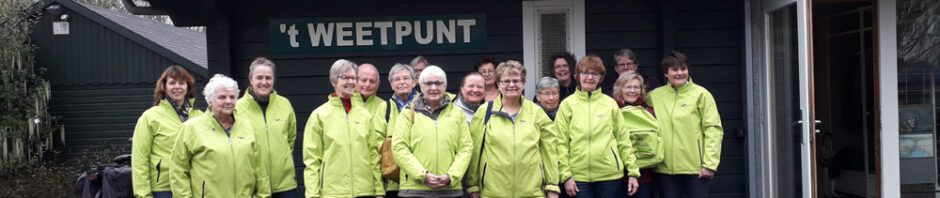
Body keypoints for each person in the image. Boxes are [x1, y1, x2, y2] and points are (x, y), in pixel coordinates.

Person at [465, 60, 560, 198]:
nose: (511, 85)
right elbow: (475, 151)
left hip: (532, 193)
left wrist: (552, 186)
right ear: (498, 83)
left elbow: (549, 151)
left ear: (523, 83)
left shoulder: (536, 112)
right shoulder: (485, 112)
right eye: (506, 81)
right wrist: (473, 185)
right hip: (493, 193)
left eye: (516, 81)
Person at [169, 74, 271, 198]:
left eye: (232, 97)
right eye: (222, 97)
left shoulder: (248, 127)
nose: (228, 101)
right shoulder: (191, 128)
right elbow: (178, 171)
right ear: (210, 102)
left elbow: (260, 170)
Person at [555, 55, 639, 198]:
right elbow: (559, 143)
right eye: (585, 73)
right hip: (578, 177)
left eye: (594, 73)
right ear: (578, 75)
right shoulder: (567, 105)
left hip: (609, 175)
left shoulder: (610, 104)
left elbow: (624, 140)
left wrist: (633, 172)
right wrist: (566, 176)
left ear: (600, 77)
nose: (589, 77)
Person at [303, 59, 385, 198]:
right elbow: (312, 160)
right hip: (333, 192)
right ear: (334, 81)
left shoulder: (365, 115)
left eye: (353, 78)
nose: (350, 82)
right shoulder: (319, 115)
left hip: (364, 191)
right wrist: (312, 195)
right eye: (344, 77)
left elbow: (373, 156)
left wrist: (379, 191)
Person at [647, 51, 723, 198]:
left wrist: (710, 164)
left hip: (696, 168)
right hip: (664, 169)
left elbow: (713, 129)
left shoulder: (701, 95)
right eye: (674, 70)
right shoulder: (654, 96)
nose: (680, 73)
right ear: (666, 73)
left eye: (683, 69)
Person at [392, 66, 473, 198]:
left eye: (438, 83)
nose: (434, 88)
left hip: (450, 189)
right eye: (428, 83)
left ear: (445, 86)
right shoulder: (407, 112)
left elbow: (466, 147)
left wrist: (451, 176)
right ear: (421, 86)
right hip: (415, 190)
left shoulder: (457, 113)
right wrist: (423, 175)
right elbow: (399, 147)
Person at [132, 66, 203, 198]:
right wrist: (143, 194)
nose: (177, 87)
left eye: (181, 83)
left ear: (188, 87)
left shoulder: (200, 117)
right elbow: (139, 159)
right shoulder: (150, 117)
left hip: (194, 187)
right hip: (163, 189)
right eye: (172, 83)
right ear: (164, 87)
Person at [235, 57, 299, 198]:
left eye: (268, 78)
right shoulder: (237, 108)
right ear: (251, 79)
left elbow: (290, 139)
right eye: (259, 78)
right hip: (253, 186)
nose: (264, 82)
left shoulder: (284, 105)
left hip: (284, 185)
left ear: (273, 80)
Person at [612, 71, 662, 198]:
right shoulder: (611, 110)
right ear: (620, 89)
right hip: (617, 175)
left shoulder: (649, 111)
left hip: (644, 175)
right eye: (628, 87)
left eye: (636, 87)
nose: (632, 91)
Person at [383, 63, 417, 198]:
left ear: (414, 82)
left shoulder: (425, 104)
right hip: (393, 181)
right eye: (397, 79)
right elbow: (377, 146)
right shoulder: (384, 108)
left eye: (406, 78)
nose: (402, 82)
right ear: (391, 85)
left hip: (420, 182)